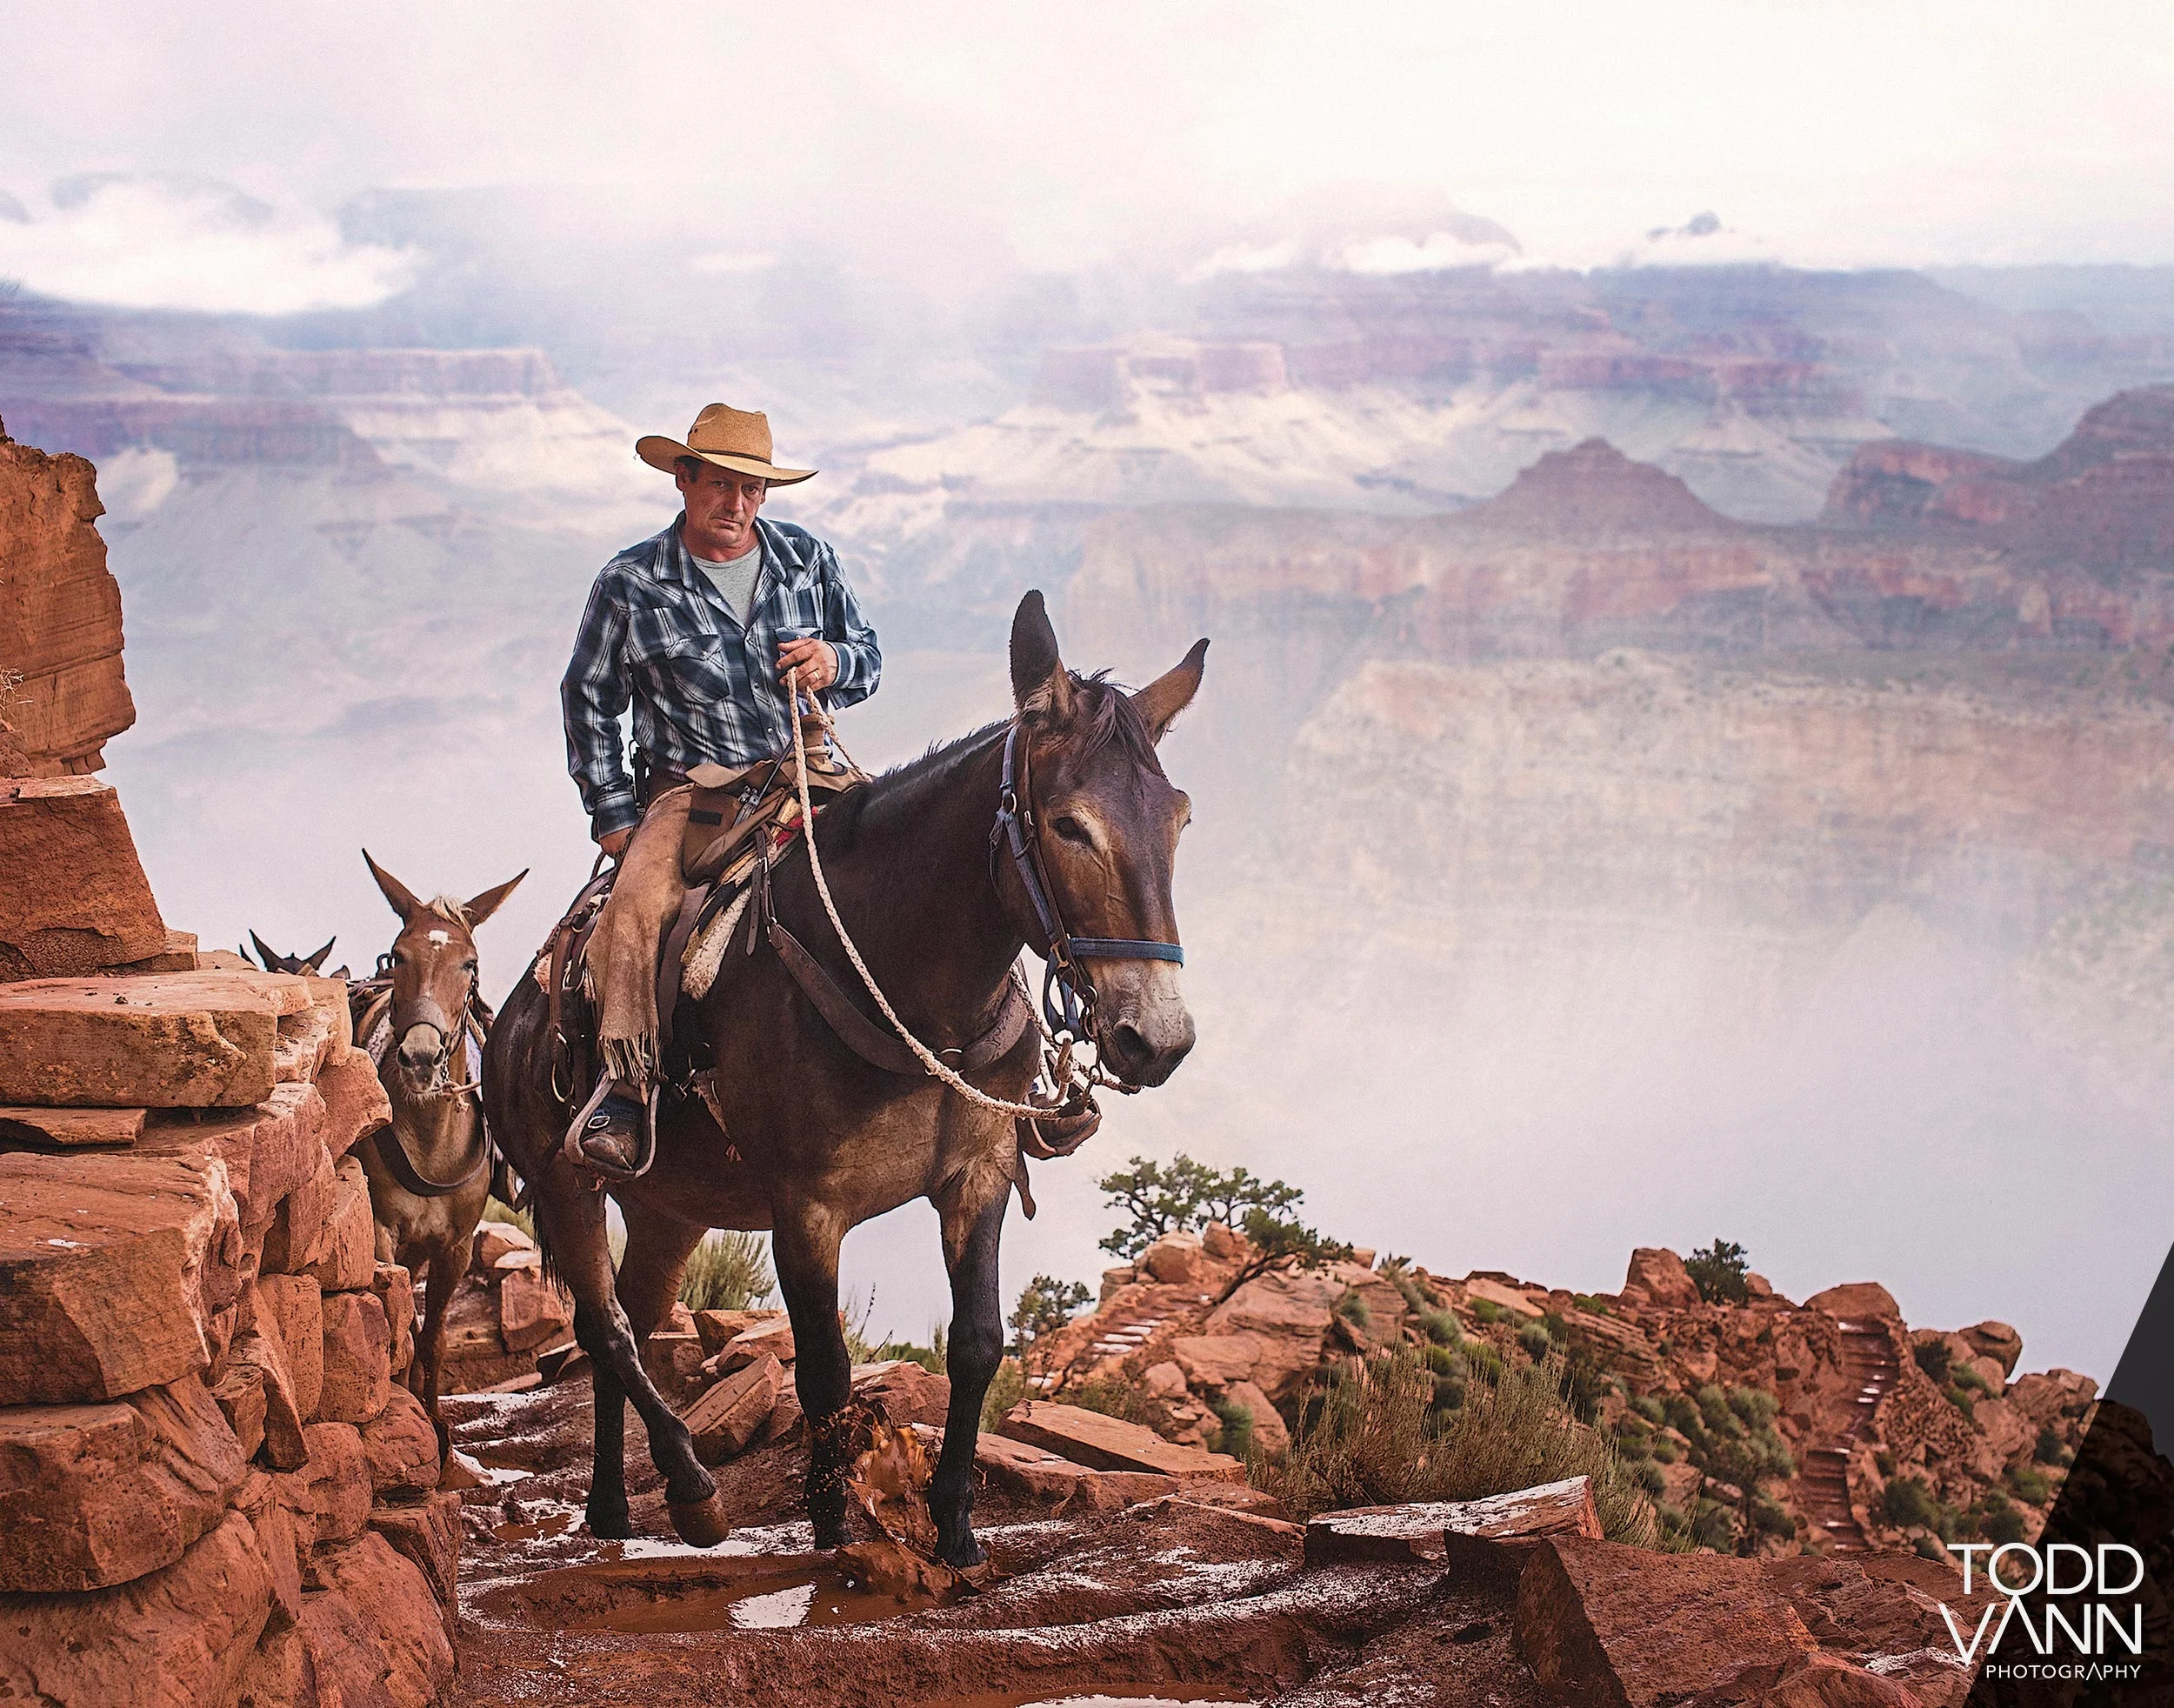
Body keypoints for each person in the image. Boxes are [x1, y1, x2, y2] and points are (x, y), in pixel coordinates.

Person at [560, 404, 881, 1170]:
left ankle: (995, 1067)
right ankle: (627, 1093)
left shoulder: (807, 558)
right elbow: (589, 696)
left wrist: (833, 663)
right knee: (635, 915)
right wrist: (612, 815)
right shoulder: (631, 582)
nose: (735, 503)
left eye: (752, 489)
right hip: (691, 795)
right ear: (684, 479)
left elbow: (868, 654)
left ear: (766, 496)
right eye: (720, 484)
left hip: (807, 770)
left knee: (920, 853)